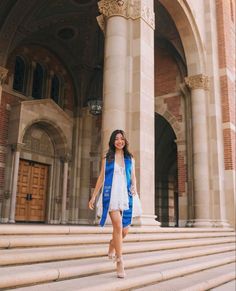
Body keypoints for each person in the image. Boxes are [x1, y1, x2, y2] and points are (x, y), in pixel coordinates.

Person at [88, 129, 139, 279]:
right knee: (117, 225)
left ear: (125, 141)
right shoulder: (107, 158)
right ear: (112, 141)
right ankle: (120, 261)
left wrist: (134, 186)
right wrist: (93, 196)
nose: (119, 141)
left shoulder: (130, 158)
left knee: (124, 231)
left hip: (126, 194)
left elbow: (133, 176)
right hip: (111, 194)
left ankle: (112, 243)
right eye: (116, 139)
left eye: (121, 138)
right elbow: (101, 177)